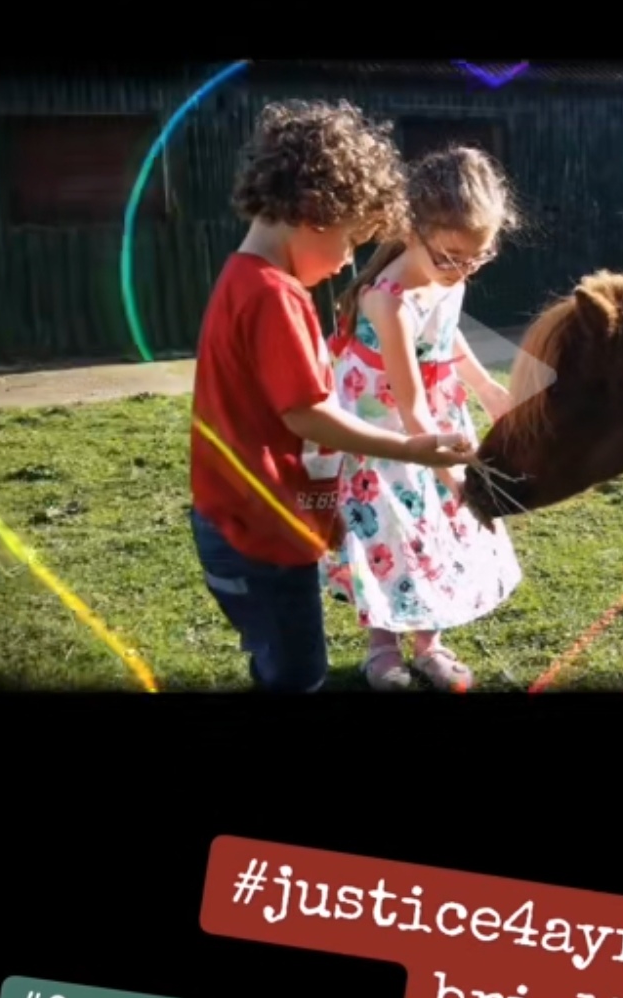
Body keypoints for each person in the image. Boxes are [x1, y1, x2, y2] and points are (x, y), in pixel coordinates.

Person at [189, 100, 474, 693]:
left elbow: (283, 420)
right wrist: (414, 447)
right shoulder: (274, 295)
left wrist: (329, 510)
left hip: (248, 523)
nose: (350, 261)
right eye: (351, 241)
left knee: (279, 659)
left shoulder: (245, 278)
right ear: (315, 212)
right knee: (299, 673)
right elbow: (310, 416)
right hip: (259, 537)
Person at [320, 145, 523, 692]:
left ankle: (429, 644)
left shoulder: (447, 273)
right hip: (386, 432)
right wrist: (453, 479)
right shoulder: (387, 300)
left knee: (435, 533)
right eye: (453, 258)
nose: (463, 271)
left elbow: (446, 333)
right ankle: (381, 649)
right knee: (391, 532)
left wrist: (486, 390)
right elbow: (408, 408)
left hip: (436, 420)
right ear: (412, 230)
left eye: (477, 259)